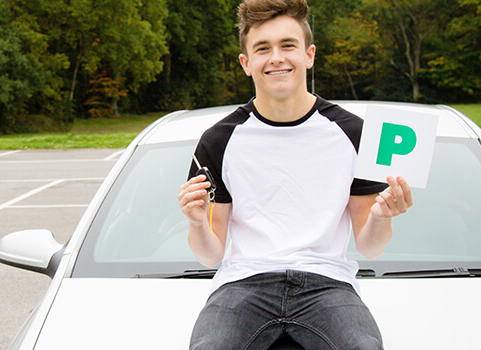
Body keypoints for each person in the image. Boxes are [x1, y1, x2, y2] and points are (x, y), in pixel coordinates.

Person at [176, 0, 413, 349]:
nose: (276, 57)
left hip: (328, 284)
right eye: (262, 48)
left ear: (309, 54)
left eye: (288, 45)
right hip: (243, 283)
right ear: (246, 63)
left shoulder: (355, 134)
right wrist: (197, 222)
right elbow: (210, 256)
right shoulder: (218, 140)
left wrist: (381, 217)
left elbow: (370, 247)